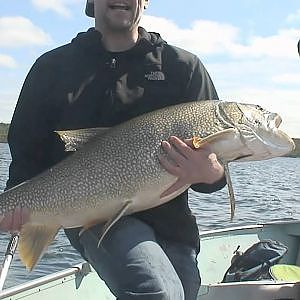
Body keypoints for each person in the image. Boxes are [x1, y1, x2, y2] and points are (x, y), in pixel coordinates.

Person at [1, 0, 226, 299]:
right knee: (156, 292)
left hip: (173, 224)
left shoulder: (183, 67)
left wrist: (212, 174)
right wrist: (15, 201)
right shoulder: (51, 67)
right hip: (93, 215)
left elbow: (214, 170)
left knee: (183, 291)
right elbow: (27, 149)